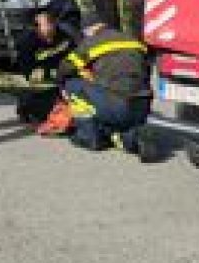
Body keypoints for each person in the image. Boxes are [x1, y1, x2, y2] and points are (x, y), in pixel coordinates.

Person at [55, 12, 156, 160]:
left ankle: (90, 136)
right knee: (115, 104)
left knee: (72, 84)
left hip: (117, 105)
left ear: (88, 30)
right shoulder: (132, 40)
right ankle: (131, 138)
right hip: (143, 106)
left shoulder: (92, 42)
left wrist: (60, 86)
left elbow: (65, 68)